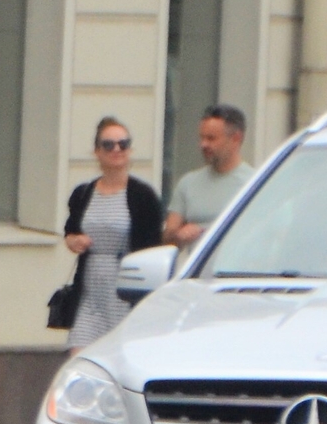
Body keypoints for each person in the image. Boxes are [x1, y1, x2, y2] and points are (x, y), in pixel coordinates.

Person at [60, 117, 164, 348]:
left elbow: (153, 246)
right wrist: (73, 240)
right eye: (108, 145)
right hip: (91, 290)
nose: (116, 149)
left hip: (126, 290)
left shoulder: (143, 196)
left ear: (130, 150)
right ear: (97, 151)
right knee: (80, 356)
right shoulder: (84, 193)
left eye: (123, 144)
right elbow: (70, 230)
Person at [162, 102, 255, 248]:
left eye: (211, 138)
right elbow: (167, 238)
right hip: (197, 269)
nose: (203, 145)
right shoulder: (187, 184)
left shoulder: (254, 184)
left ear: (236, 139)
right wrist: (179, 236)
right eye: (202, 138)